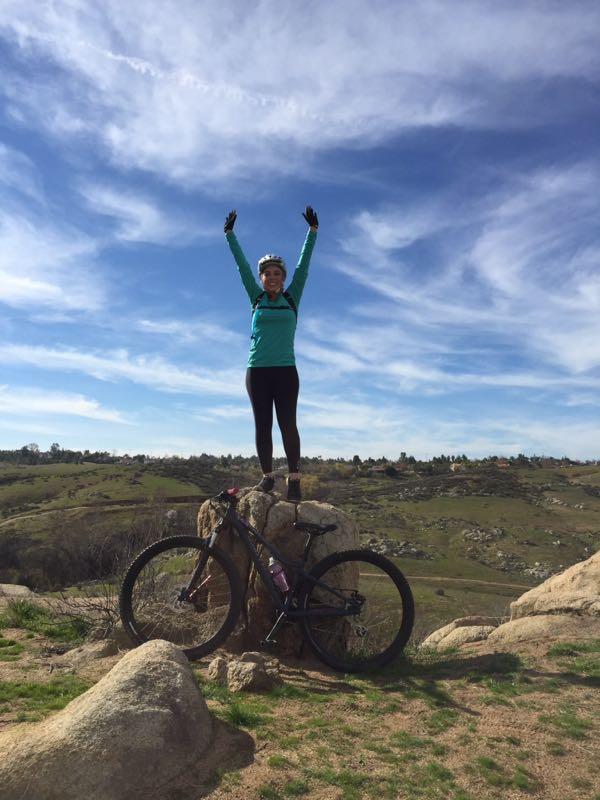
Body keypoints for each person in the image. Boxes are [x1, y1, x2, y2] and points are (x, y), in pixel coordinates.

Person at [224, 206, 318, 502]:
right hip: (257, 371)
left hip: (286, 370)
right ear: (261, 278)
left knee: (287, 423)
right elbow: (241, 266)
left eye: (277, 273)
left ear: (283, 277)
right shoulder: (256, 298)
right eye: (267, 274)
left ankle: (294, 480)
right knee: (262, 425)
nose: (273, 277)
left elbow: (304, 266)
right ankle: (266, 478)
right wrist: (230, 235)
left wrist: (312, 233)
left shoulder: (293, 297)